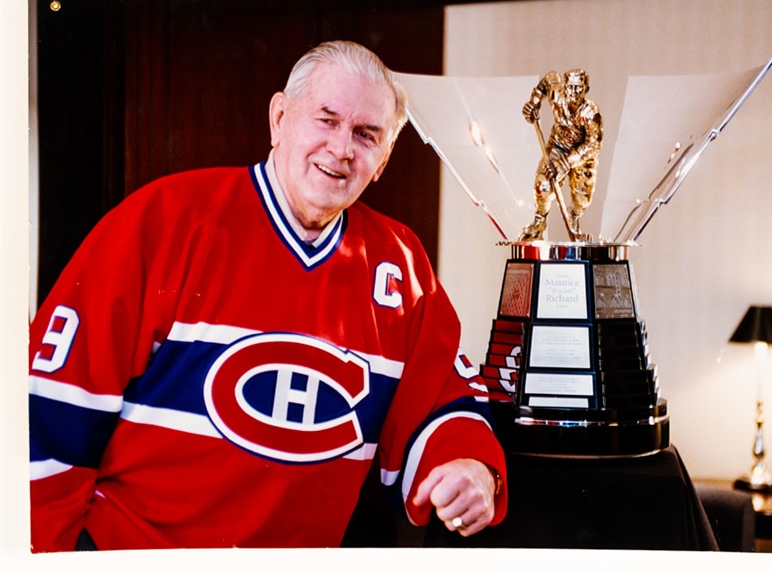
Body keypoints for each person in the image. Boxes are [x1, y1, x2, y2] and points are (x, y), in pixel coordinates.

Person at [28, 40, 507, 552]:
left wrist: (467, 466)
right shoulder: (164, 221)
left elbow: (443, 397)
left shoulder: (400, 263)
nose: (342, 148)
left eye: (366, 135)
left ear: (384, 159)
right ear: (279, 118)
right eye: (326, 120)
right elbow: (48, 416)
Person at [518, 69, 603, 241]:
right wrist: (533, 103)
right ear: (564, 87)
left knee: (582, 198)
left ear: (586, 89)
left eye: (578, 88)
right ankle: (539, 221)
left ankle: (573, 218)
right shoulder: (557, 94)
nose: (574, 92)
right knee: (542, 184)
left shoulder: (591, 113)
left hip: (582, 155)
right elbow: (548, 80)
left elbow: (593, 144)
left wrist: (565, 163)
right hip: (558, 146)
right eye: (570, 87)